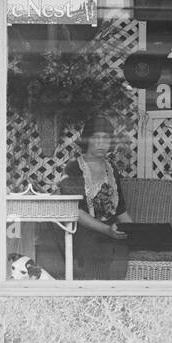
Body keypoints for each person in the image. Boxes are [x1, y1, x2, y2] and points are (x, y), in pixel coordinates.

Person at [40, 114, 133, 280]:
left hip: (109, 231)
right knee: (100, 248)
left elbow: (120, 211)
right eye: (96, 137)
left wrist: (138, 233)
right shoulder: (74, 168)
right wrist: (106, 230)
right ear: (86, 140)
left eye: (106, 138)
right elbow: (75, 211)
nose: (101, 143)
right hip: (80, 232)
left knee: (129, 248)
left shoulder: (111, 169)